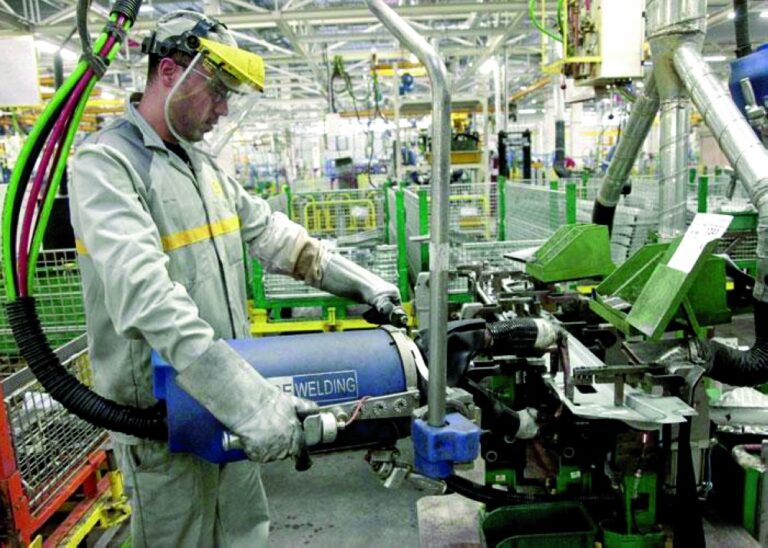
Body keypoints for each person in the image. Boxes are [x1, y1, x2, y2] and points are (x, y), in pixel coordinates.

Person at [68, 10, 401, 547]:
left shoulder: (202, 164)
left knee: (245, 534)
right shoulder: (107, 165)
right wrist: (250, 403)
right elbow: (147, 296)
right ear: (170, 72)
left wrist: (365, 284)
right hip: (164, 422)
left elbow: (273, 235)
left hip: (230, 401)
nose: (223, 109)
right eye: (218, 90)